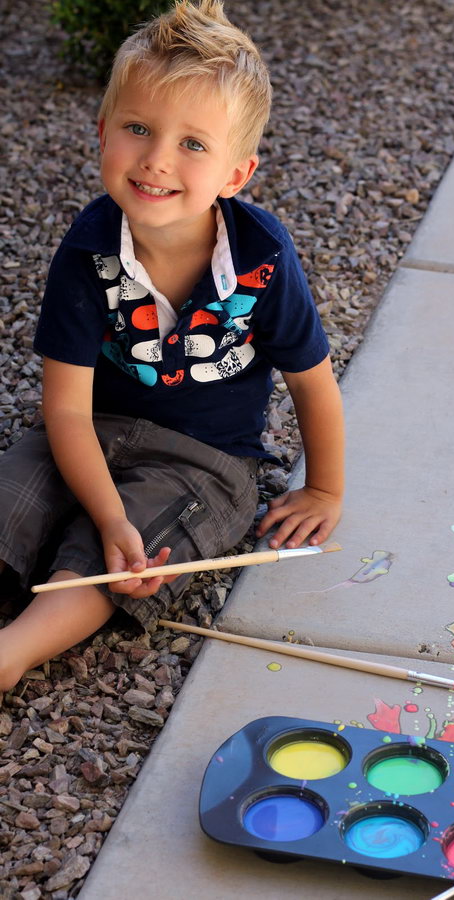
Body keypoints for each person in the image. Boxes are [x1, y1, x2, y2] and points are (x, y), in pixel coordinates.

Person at [0, 0, 344, 691]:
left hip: (205, 463)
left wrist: (325, 488)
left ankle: (12, 653)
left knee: (119, 560)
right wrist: (101, 501)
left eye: (192, 144)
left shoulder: (262, 258)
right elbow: (66, 413)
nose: (156, 160)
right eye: (137, 128)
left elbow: (312, 380)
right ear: (102, 134)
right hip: (88, 430)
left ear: (235, 175)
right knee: (11, 498)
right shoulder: (89, 251)